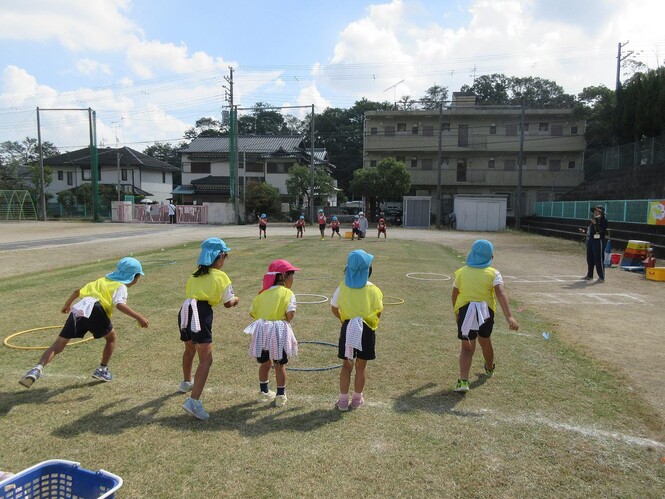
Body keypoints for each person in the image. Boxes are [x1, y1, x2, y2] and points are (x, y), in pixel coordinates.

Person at [19, 257, 149, 388]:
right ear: (133, 277)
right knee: (111, 338)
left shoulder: (101, 281)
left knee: (58, 344)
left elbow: (77, 291)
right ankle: (102, 369)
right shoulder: (120, 286)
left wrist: (67, 305)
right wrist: (139, 317)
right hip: (96, 309)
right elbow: (120, 305)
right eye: (137, 277)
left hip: (80, 309)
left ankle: (37, 369)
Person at [179, 238, 239, 420]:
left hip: (185, 310)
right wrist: (236, 300)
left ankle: (186, 381)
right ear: (219, 257)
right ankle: (194, 401)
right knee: (206, 359)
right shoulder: (221, 276)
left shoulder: (194, 274)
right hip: (201, 313)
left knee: (189, 349)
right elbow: (228, 303)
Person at [451, 239, 519, 393]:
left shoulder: (461, 272)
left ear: (471, 254)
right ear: (491, 257)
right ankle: (489, 367)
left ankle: (463, 381)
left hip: (466, 311)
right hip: (485, 311)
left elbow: (455, 295)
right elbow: (501, 292)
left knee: (467, 348)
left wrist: (457, 313)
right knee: (485, 342)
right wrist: (509, 316)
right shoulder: (493, 273)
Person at [331, 250, 384, 411]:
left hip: (348, 328)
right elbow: (378, 310)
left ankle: (342, 400)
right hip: (366, 329)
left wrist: (343, 320)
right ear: (368, 270)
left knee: (346, 365)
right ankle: (357, 398)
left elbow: (334, 307)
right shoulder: (374, 289)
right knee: (361, 366)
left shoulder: (342, 287)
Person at [244, 259, 300, 408]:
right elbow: (290, 314)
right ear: (282, 276)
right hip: (278, 332)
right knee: (279, 364)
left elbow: (252, 313)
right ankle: (280, 396)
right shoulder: (288, 293)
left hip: (262, 330)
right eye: (291, 275)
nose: (292, 279)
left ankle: (263, 392)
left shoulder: (261, 294)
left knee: (264, 363)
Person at [578, 205, 608, 283]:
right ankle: (590, 275)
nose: (595, 212)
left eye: (597, 211)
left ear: (601, 212)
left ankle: (601, 277)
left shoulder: (604, 221)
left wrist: (595, 224)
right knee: (589, 258)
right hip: (591, 240)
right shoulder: (594, 220)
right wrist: (584, 231)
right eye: (595, 211)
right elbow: (590, 231)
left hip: (598, 241)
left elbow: (601, 231)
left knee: (598, 258)